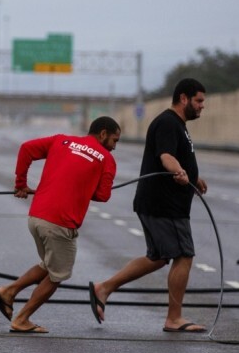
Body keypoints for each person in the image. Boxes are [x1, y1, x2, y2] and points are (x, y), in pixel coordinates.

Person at [89, 78, 208, 333]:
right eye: (198, 101)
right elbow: (166, 156)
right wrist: (180, 172)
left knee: (158, 257)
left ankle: (104, 288)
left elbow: (174, 155)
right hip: (164, 204)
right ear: (184, 99)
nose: (202, 106)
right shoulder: (167, 122)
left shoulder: (177, 125)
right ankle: (174, 318)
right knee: (184, 255)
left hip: (159, 202)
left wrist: (193, 176)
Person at [0, 116, 121, 334]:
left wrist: (21, 185)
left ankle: (9, 291)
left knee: (48, 264)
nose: (114, 146)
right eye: (114, 140)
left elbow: (25, 149)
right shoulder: (107, 159)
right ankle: (22, 318)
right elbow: (102, 196)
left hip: (36, 217)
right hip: (60, 223)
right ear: (103, 134)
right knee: (57, 275)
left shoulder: (61, 140)